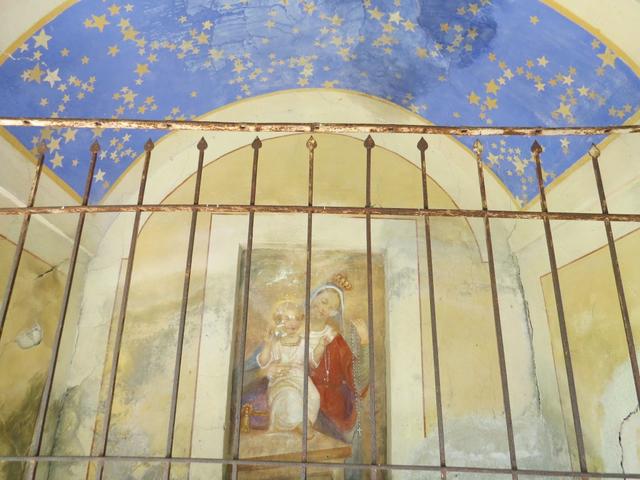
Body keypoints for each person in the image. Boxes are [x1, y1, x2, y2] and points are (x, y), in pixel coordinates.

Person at [308, 283, 370, 443]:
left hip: (328, 410)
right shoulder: (292, 330)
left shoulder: (335, 340)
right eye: (324, 302)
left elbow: (357, 379)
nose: (324, 309)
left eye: (331, 308)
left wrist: (364, 342)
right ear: (313, 297)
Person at [256, 300, 320, 433]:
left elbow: (313, 360)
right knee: (290, 397)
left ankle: (306, 423)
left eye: (297, 318)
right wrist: (267, 344)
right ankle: (298, 424)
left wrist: (321, 346)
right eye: (288, 318)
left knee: (314, 396)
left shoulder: (304, 343)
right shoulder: (277, 344)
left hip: (301, 380)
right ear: (279, 322)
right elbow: (263, 362)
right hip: (282, 380)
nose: (293, 323)